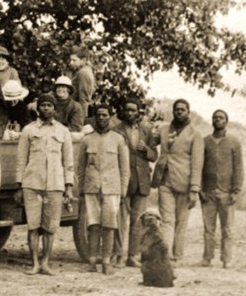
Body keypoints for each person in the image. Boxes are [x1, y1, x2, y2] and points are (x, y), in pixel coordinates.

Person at [16, 93, 75, 275]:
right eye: (43, 105)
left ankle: (46, 263)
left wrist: (68, 186)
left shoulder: (63, 132)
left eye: (50, 105)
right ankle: (34, 263)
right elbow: (21, 159)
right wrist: (20, 185)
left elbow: (69, 161)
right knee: (33, 225)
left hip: (55, 185)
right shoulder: (28, 130)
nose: (46, 108)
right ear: (38, 108)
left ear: (55, 109)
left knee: (50, 226)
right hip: (32, 184)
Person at [77, 105, 130, 275]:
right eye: (98, 115)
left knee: (109, 225)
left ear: (110, 117)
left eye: (104, 115)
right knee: (93, 224)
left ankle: (106, 262)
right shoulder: (86, 140)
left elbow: (124, 168)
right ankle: (92, 261)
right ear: (94, 118)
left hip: (112, 188)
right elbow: (81, 166)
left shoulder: (118, 139)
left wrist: (123, 191)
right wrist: (81, 188)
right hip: (92, 187)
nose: (101, 118)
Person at [152, 99, 204, 266]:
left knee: (181, 221)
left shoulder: (195, 135)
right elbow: (150, 141)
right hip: (164, 180)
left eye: (182, 109)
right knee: (167, 220)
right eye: (176, 109)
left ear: (188, 112)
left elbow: (197, 163)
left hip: (185, 182)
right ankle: (166, 255)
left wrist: (194, 189)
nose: (179, 112)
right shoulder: (164, 130)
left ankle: (177, 255)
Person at [111, 99, 158, 268]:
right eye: (127, 110)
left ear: (138, 113)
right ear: (123, 112)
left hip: (142, 182)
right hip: (123, 181)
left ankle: (132, 256)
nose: (130, 113)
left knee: (137, 222)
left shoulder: (146, 131)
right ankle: (117, 256)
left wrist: (146, 149)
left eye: (133, 110)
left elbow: (154, 156)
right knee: (120, 221)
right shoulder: (115, 131)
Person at [200, 109, 244, 269]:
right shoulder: (204, 142)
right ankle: (207, 257)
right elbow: (198, 166)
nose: (217, 120)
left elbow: (238, 168)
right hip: (208, 191)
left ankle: (227, 258)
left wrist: (236, 190)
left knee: (227, 228)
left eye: (221, 118)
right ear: (212, 121)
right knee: (208, 228)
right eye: (215, 118)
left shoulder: (234, 142)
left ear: (226, 121)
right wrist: (200, 189)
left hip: (226, 192)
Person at [69, 47, 96, 119]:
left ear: (83, 60)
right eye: (70, 60)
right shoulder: (83, 71)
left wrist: (82, 119)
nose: (70, 63)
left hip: (77, 113)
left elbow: (83, 99)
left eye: (74, 60)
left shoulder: (83, 73)